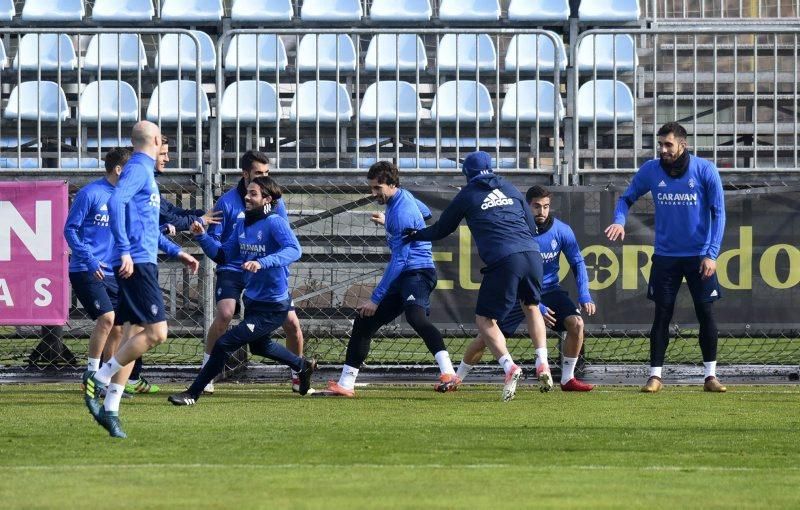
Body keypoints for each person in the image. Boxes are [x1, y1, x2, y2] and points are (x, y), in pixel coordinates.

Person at [403, 151, 552, 401]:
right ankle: (543, 363)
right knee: (532, 306)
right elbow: (531, 225)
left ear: (467, 174)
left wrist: (415, 234)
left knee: (484, 320)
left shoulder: (468, 194)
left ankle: (509, 366)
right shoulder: (510, 188)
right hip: (532, 254)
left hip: (506, 259)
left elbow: (441, 229)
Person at [83, 121, 200, 438]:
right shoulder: (138, 167)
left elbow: (147, 227)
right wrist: (123, 250)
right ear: (154, 139)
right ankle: (100, 377)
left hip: (143, 258)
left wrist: (178, 252)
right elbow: (116, 202)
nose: (166, 147)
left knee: (133, 336)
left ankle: (110, 410)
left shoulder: (145, 172)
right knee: (157, 333)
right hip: (138, 263)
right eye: (163, 138)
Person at [167, 176, 316, 405]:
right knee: (260, 345)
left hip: (274, 305)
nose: (247, 196)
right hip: (254, 300)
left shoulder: (275, 222)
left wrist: (262, 262)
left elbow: (294, 250)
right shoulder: (242, 223)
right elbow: (222, 255)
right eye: (248, 192)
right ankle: (301, 365)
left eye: (254, 193)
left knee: (225, 343)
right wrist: (202, 237)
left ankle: (192, 393)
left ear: (267, 199)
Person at [604, 122, 727, 393]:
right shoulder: (650, 169)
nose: (663, 149)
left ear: (682, 144)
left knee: (706, 314)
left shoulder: (705, 170)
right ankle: (655, 377)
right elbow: (625, 199)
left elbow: (719, 213)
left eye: (668, 144)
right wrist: (619, 221)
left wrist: (711, 254)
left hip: (699, 257)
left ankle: (710, 376)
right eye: (660, 144)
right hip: (665, 257)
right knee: (661, 315)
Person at [319, 162, 458, 397]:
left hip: (418, 273)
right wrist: (394, 224)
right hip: (407, 273)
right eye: (372, 188)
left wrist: (375, 298)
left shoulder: (401, 212)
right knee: (364, 322)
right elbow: (425, 214)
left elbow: (400, 261)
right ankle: (346, 384)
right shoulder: (403, 199)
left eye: (378, 188)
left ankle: (448, 373)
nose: (374, 193)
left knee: (414, 316)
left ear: (393, 184)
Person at [456, 185, 596, 392]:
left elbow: (577, 261)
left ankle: (567, 379)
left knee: (576, 324)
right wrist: (537, 307)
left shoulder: (562, 230)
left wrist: (585, 294)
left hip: (549, 290)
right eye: (537, 206)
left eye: (546, 207)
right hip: (518, 293)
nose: (542, 212)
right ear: (526, 206)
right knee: (484, 339)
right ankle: (456, 379)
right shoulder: (517, 231)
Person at [202, 150, 306, 395]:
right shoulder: (226, 203)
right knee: (225, 313)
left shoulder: (273, 204)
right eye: (259, 173)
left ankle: (299, 373)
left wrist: (270, 266)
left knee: (291, 323)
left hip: (261, 271)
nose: (264, 176)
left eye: (267, 173)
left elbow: (286, 244)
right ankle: (206, 373)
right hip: (232, 268)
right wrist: (202, 236)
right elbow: (218, 247)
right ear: (245, 174)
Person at [123, 136, 221, 396]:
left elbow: (164, 218)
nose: (167, 158)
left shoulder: (147, 182)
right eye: (163, 152)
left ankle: (118, 381)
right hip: (134, 262)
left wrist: (180, 242)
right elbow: (165, 218)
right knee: (145, 329)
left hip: (138, 260)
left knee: (131, 326)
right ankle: (103, 376)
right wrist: (196, 219)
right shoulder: (139, 181)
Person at [64, 147, 129, 384]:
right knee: (107, 318)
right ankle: (91, 373)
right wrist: (89, 259)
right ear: (119, 169)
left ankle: (106, 378)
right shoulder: (90, 193)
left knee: (119, 326)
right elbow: (69, 229)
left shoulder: (125, 197)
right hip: (86, 268)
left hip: (114, 270)